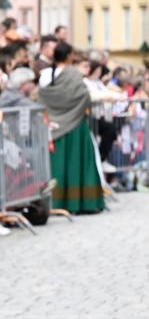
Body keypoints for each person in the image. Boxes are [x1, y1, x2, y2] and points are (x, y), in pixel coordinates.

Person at [36, 42, 105, 214]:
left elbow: (43, 97)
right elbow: (83, 97)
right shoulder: (74, 74)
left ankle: (57, 201)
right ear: (68, 56)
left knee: (58, 164)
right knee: (78, 163)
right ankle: (83, 202)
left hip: (54, 125)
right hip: (75, 124)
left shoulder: (46, 74)